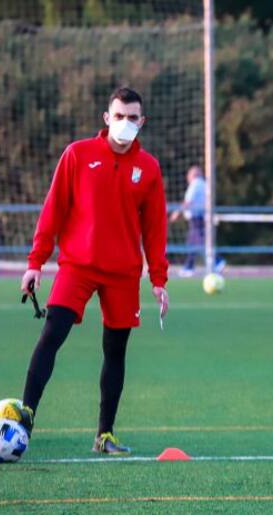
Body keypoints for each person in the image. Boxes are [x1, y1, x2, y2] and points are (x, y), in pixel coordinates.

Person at [19, 87, 170, 455]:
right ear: (106, 118)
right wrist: (35, 263)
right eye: (119, 116)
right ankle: (23, 421)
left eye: (132, 117)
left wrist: (159, 280)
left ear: (142, 122)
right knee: (52, 333)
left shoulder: (148, 167)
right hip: (77, 265)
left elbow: (155, 228)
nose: (125, 123)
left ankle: (105, 435)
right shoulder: (78, 154)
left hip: (122, 273)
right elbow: (53, 209)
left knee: (115, 351)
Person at [171, 165, 206, 277]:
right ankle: (189, 267)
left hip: (196, 218)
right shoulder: (204, 184)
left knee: (197, 241)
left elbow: (188, 201)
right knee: (194, 242)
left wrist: (177, 212)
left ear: (192, 175)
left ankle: (216, 261)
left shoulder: (195, 184)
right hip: (200, 217)